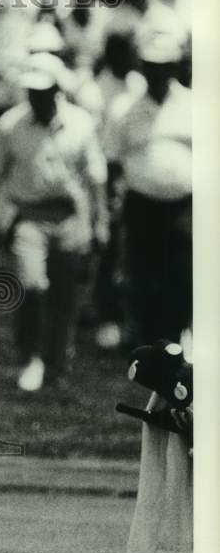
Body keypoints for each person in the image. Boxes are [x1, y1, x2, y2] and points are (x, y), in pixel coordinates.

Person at [0, 53, 109, 392]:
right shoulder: (11, 124)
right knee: (32, 286)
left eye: (43, 91)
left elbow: (95, 176)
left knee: (64, 294)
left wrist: (100, 221)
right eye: (32, 91)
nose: (36, 97)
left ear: (57, 90)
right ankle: (31, 357)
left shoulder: (80, 123)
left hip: (69, 217)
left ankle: (57, 361)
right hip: (28, 217)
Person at [104, 31, 192, 348]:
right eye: (151, 66)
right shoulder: (123, 108)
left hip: (184, 205)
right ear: (142, 67)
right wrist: (112, 204)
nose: (157, 73)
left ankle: (176, 338)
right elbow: (112, 161)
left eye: (164, 66)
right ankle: (146, 342)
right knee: (142, 274)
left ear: (175, 67)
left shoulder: (195, 105)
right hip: (140, 204)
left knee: (182, 273)